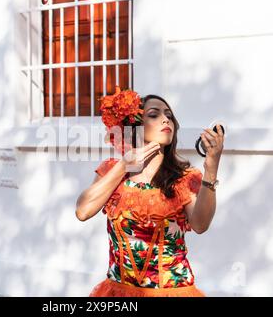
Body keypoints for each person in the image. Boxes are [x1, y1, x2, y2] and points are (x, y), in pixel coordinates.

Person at [75, 92, 224, 297]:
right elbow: (83, 211)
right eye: (154, 114)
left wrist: (211, 167)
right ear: (135, 126)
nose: (166, 119)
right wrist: (123, 166)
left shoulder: (184, 178)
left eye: (169, 115)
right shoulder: (112, 170)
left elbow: (200, 224)